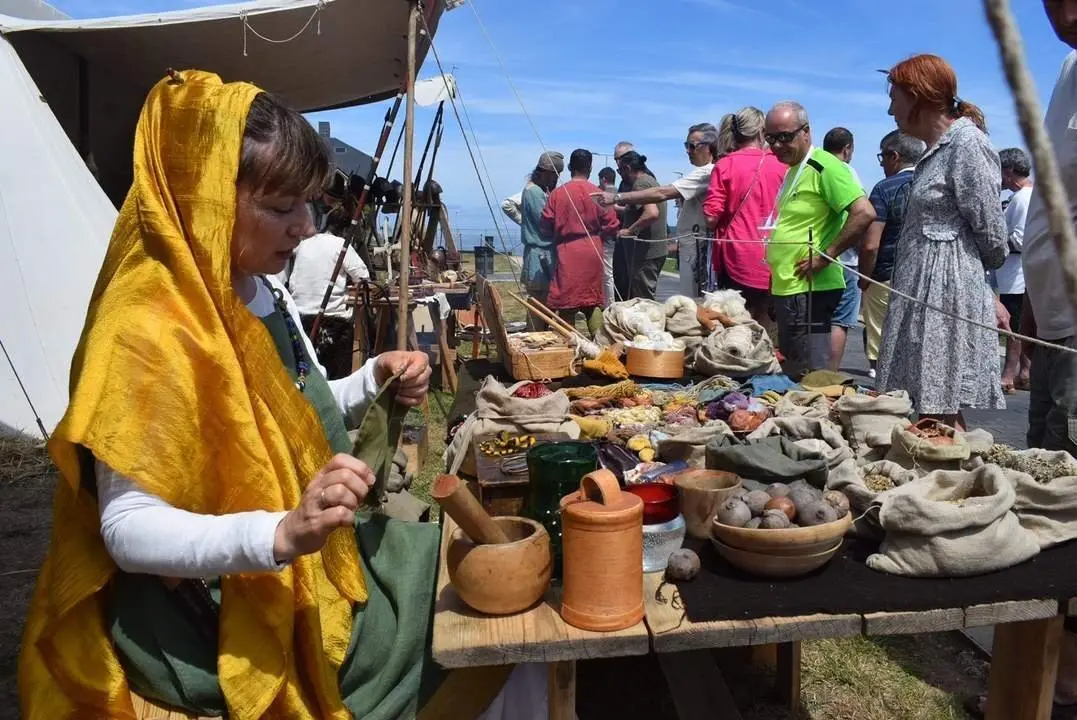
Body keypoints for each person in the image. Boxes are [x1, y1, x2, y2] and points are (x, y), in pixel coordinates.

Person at [18, 71, 526, 719]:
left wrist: (369, 382)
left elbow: (303, 404)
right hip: (217, 611)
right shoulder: (145, 329)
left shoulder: (261, 289)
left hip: (319, 561)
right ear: (204, 196)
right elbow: (126, 530)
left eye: (306, 204)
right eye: (281, 207)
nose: (306, 227)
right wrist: (281, 532)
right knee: (476, 616)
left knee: (480, 573)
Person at [876, 54, 1009, 429]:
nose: (890, 110)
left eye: (895, 98)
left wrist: (968, 278)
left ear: (917, 96)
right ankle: (942, 476)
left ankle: (948, 479)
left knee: (939, 405)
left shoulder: (967, 144)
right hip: (924, 287)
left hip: (944, 291)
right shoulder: (935, 152)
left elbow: (993, 236)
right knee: (930, 404)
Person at [1022, 4, 1077, 713]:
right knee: (1044, 471)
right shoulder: (1069, 67)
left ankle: (1060, 679)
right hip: (1056, 319)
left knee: (1064, 492)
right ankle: (1043, 664)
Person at [761, 101, 876, 379]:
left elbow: (864, 212)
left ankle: (817, 418)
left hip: (811, 289)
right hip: (789, 286)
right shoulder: (794, 170)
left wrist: (826, 255)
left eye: (785, 137)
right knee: (794, 366)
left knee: (811, 374)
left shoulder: (825, 166)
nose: (777, 145)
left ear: (806, 132)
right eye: (771, 138)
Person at [594, 124, 718, 298]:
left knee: (649, 299)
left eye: (692, 146)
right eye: (686, 146)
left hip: (690, 252)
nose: (688, 151)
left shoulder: (706, 173)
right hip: (688, 249)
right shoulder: (699, 173)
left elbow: (658, 201)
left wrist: (618, 204)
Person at [703, 106, 787, 325]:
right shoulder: (782, 164)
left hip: (735, 256)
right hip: (775, 254)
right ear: (762, 131)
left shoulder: (725, 165)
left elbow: (711, 217)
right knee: (769, 325)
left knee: (735, 324)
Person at [859, 130, 926, 379]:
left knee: (879, 334)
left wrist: (865, 276)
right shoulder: (932, 184)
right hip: (924, 275)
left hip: (886, 273)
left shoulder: (884, 189)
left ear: (894, 156)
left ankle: (881, 379)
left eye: (882, 158)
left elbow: (871, 244)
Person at [539, 149, 619, 334]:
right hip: (592, 248)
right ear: (590, 168)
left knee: (566, 302)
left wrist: (559, 231)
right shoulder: (598, 193)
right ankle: (601, 346)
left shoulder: (558, 194)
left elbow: (544, 226)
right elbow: (612, 225)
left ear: (569, 167)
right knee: (592, 302)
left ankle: (569, 346)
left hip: (567, 250)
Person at [286, 206, 370, 379]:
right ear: (346, 230)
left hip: (300, 317)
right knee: (338, 374)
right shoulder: (341, 245)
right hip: (333, 322)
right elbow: (363, 277)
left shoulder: (304, 244)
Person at [822, 127, 866, 371]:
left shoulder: (816, 168)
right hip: (845, 259)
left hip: (819, 255)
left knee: (819, 321)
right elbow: (861, 213)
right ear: (847, 149)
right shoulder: (846, 172)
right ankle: (829, 375)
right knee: (839, 321)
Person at [996, 147, 1033, 394]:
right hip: (1019, 274)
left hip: (1016, 275)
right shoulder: (1031, 196)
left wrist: (995, 241)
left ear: (1009, 172)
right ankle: (1024, 373)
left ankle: (1008, 376)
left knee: (1013, 328)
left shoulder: (1021, 199)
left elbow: (1020, 240)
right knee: (1021, 326)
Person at [612, 150, 669, 300]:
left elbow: (651, 213)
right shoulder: (650, 181)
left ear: (627, 169)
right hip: (652, 252)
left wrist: (630, 230)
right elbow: (637, 212)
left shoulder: (641, 184)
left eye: (620, 171)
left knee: (643, 301)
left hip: (646, 255)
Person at [519, 151, 564, 329]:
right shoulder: (534, 193)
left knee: (545, 306)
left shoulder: (537, 191)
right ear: (547, 172)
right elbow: (547, 222)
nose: (556, 179)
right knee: (538, 306)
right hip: (540, 256)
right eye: (555, 175)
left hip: (544, 255)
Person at [597, 166, 619, 303]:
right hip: (618, 238)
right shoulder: (620, 193)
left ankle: (609, 303)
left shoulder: (603, 195)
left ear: (603, 179)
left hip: (607, 239)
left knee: (607, 274)